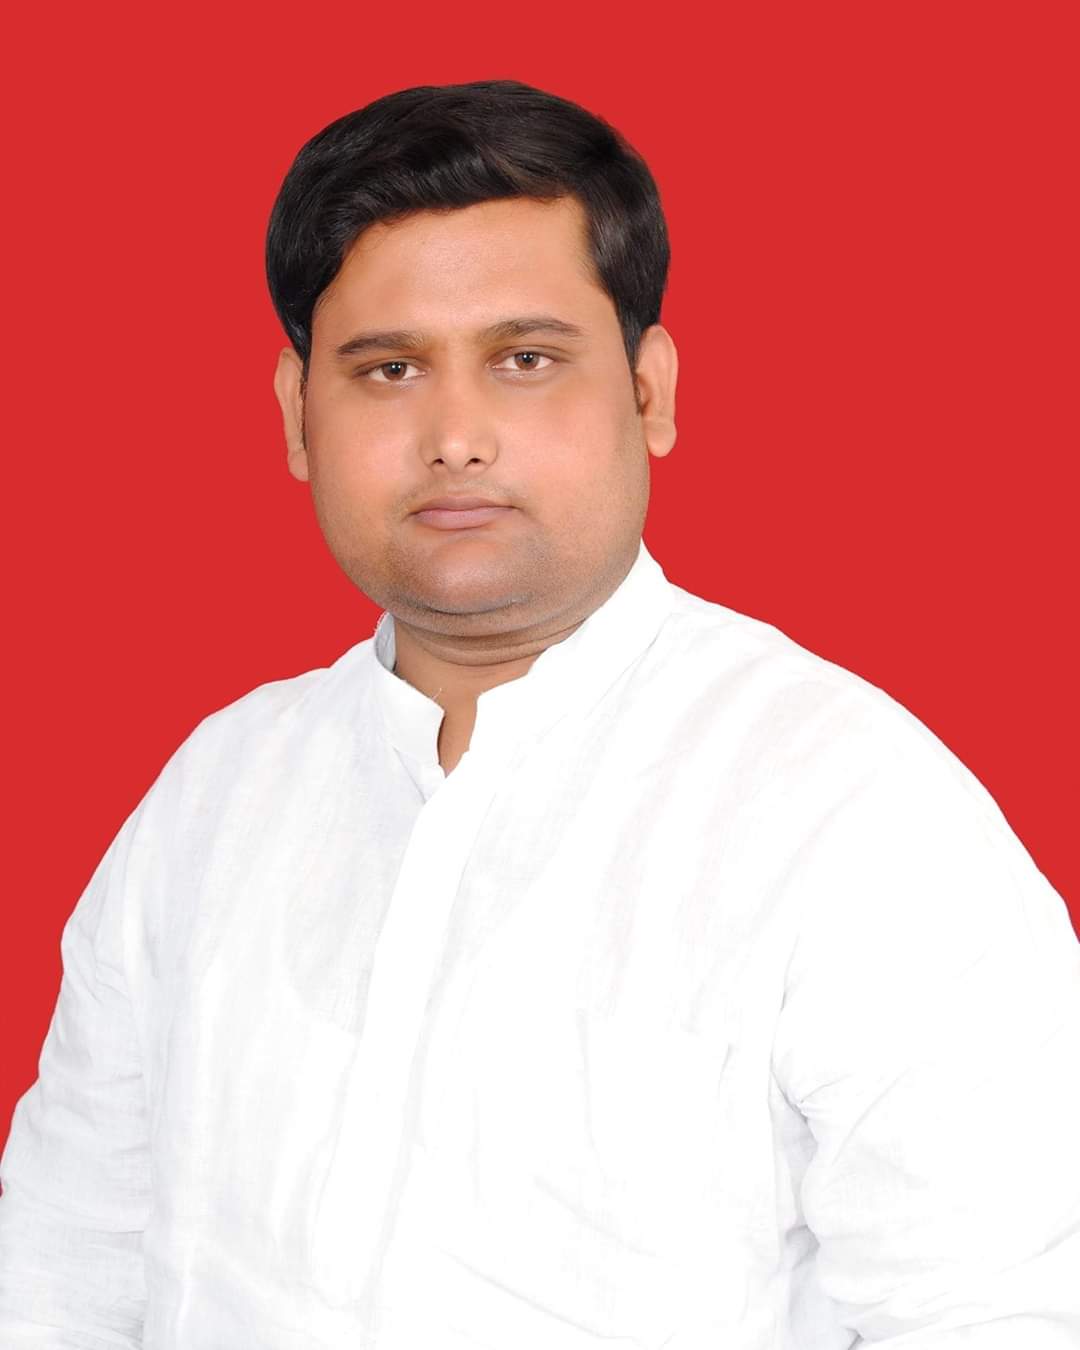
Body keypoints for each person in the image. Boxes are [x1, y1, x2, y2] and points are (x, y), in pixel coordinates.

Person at [1, 78, 1077, 1349]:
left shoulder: (851, 814)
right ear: (296, 415)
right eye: (389, 369)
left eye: (526, 360)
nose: (456, 436)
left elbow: (998, 1310)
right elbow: (63, 1262)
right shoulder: (216, 796)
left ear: (649, 391)